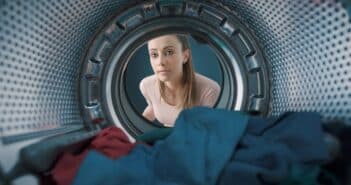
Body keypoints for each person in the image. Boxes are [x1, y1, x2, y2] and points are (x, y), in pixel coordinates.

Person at [139, 34, 221, 127]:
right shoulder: (146, 85)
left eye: (169, 52)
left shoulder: (209, 90)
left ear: (185, 56)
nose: (160, 62)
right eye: (154, 54)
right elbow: (155, 107)